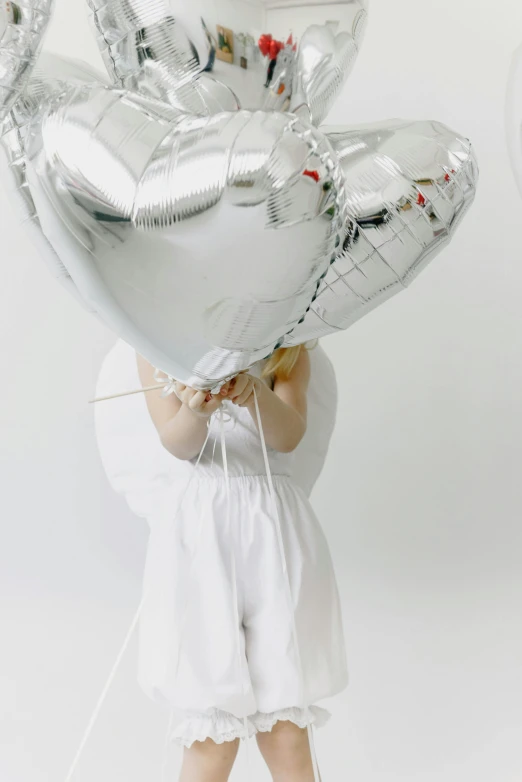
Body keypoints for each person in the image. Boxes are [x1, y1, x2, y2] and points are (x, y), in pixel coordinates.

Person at [95, 340, 348, 782]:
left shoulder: (289, 346)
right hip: (201, 534)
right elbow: (178, 446)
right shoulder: (156, 343)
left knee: (287, 731)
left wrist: (253, 391)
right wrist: (195, 410)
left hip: (274, 528)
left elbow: (289, 435)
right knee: (211, 736)